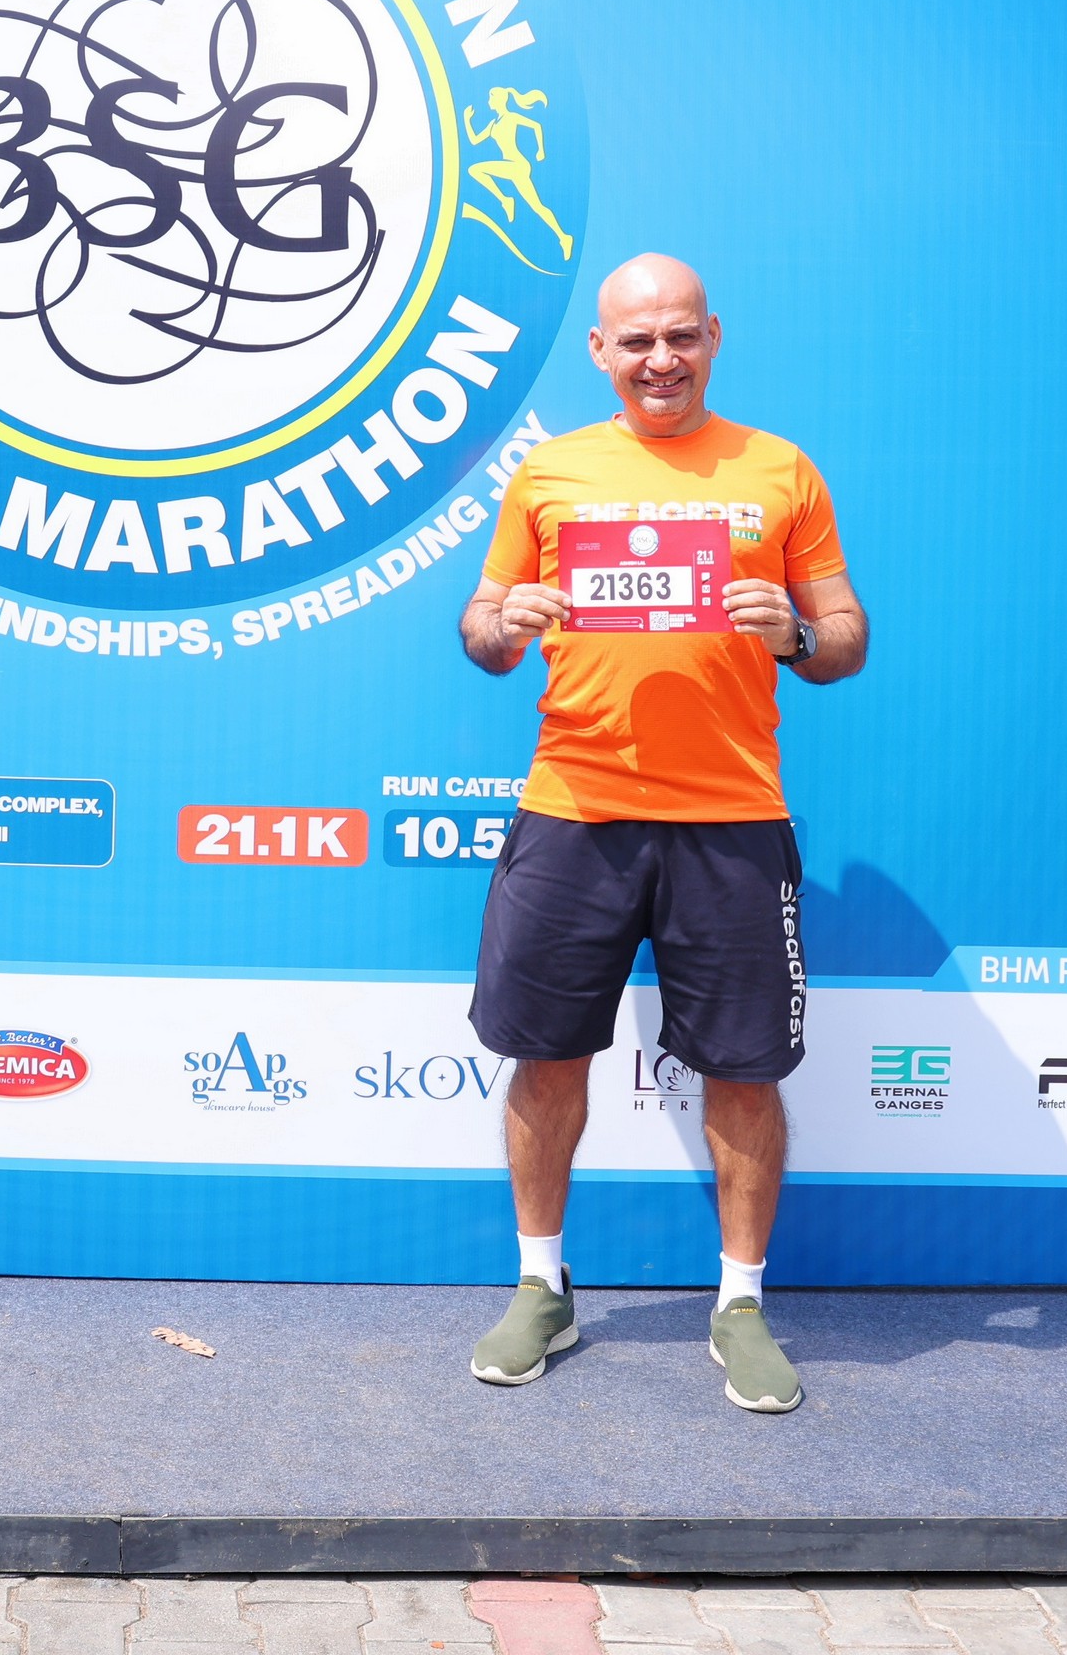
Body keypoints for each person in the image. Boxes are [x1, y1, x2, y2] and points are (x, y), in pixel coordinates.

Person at [453, 253, 868, 1412]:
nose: (661, 360)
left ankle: (740, 1304)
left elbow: (846, 636)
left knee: (743, 1072)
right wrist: (506, 618)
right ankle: (541, 1287)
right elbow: (480, 629)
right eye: (636, 341)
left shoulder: (780, 469)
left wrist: (794, 632)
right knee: (545, 1056)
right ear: (600, 351)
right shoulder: (551, 471)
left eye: (680, 336)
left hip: (732, 821)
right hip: (572, 812)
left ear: (713, 337)